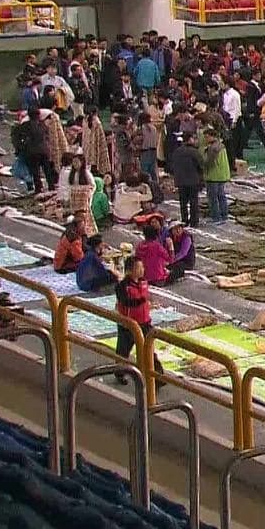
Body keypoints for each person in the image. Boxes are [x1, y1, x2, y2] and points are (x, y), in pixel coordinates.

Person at [112, 256, 165, 385]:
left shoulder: (143, 282)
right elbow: (125, 302)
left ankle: (158, 377)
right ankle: (119, 372)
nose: (142, 270)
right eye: (138, 267)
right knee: (123, 351)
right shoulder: (123, 286)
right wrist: (142, 301)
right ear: (130, 270)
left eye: (142, 267)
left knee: (149, 351)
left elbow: (146, 298)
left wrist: (149, 305)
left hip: (145, 322)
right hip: (128, 324)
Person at [167, 133, 203, 228]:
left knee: (183, 202)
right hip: (193, 180)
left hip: (180, 180)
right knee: (193, 202)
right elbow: (201, 165)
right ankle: (194, 222)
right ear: (190, 139)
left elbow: (171, 165)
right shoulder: (194, 152)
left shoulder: (177, 151)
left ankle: (184, 220)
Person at [202, 128, 230, 223]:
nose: (205, 139)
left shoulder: (212, 148)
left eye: (206, 137)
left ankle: (216, 216)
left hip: (213, 176)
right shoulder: (222, 146)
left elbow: (208, 163)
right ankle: (224, 214)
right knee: (221, 196)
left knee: (213, 198)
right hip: (222, 175)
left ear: (211, 136)